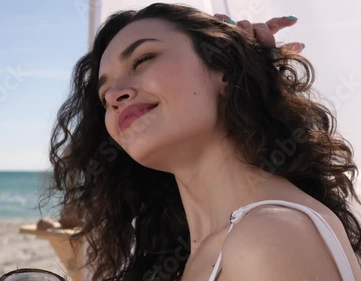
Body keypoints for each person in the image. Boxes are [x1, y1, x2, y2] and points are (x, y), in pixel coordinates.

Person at [46, 3, 361, 280]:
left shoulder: (268, 236)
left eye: (143, 59)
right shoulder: (201, 247)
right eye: (104, 96)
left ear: (224, 69)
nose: (115, 95)